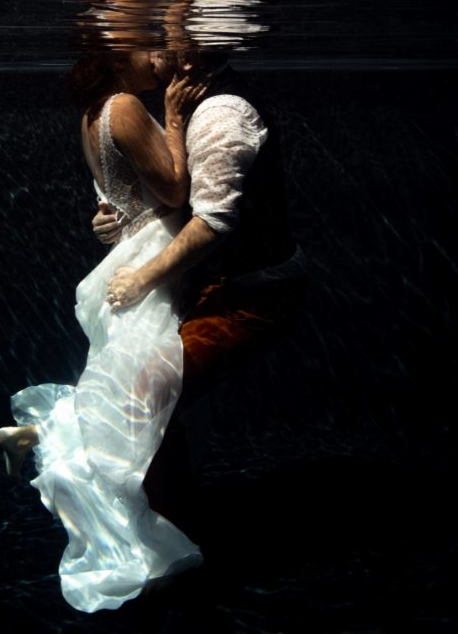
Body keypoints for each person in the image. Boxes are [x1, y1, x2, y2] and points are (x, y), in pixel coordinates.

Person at [0, 51, 206, 613]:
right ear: (115, 56)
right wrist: (176, 118)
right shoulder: (127, 107)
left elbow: (111, 202)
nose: (159, 57)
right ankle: (134, 543)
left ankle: (40, 435)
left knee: (112, 385)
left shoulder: (91, 114)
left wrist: (105, 218)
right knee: (131, 407)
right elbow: (177, 193)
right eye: (146, 48)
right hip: (151, 257)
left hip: (125, 257)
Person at [97, 50, 307, 524]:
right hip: (216, 285)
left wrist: (141, 278)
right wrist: (120, 220)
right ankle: (167, 513)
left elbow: (211, 224)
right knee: (142, 382)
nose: (149, 54)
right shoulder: (184, 101)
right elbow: (179, 198)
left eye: (160, 38)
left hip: (254, 295)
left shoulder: (220, 111)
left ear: (191, 45)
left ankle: (166, 531)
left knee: (148, 388)